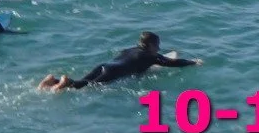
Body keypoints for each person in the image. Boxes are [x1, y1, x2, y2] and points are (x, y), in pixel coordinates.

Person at [38, 32, 202, 91]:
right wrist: (192, 62)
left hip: (105, 66)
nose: (159, 49)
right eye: (157, 45)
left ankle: (53, 80)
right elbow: (171, 63)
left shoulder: (130, 50)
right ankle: (65, 82)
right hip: (113, 72)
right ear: (151, 45)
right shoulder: (150, 56)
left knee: (84, 81)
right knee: (89, 87)